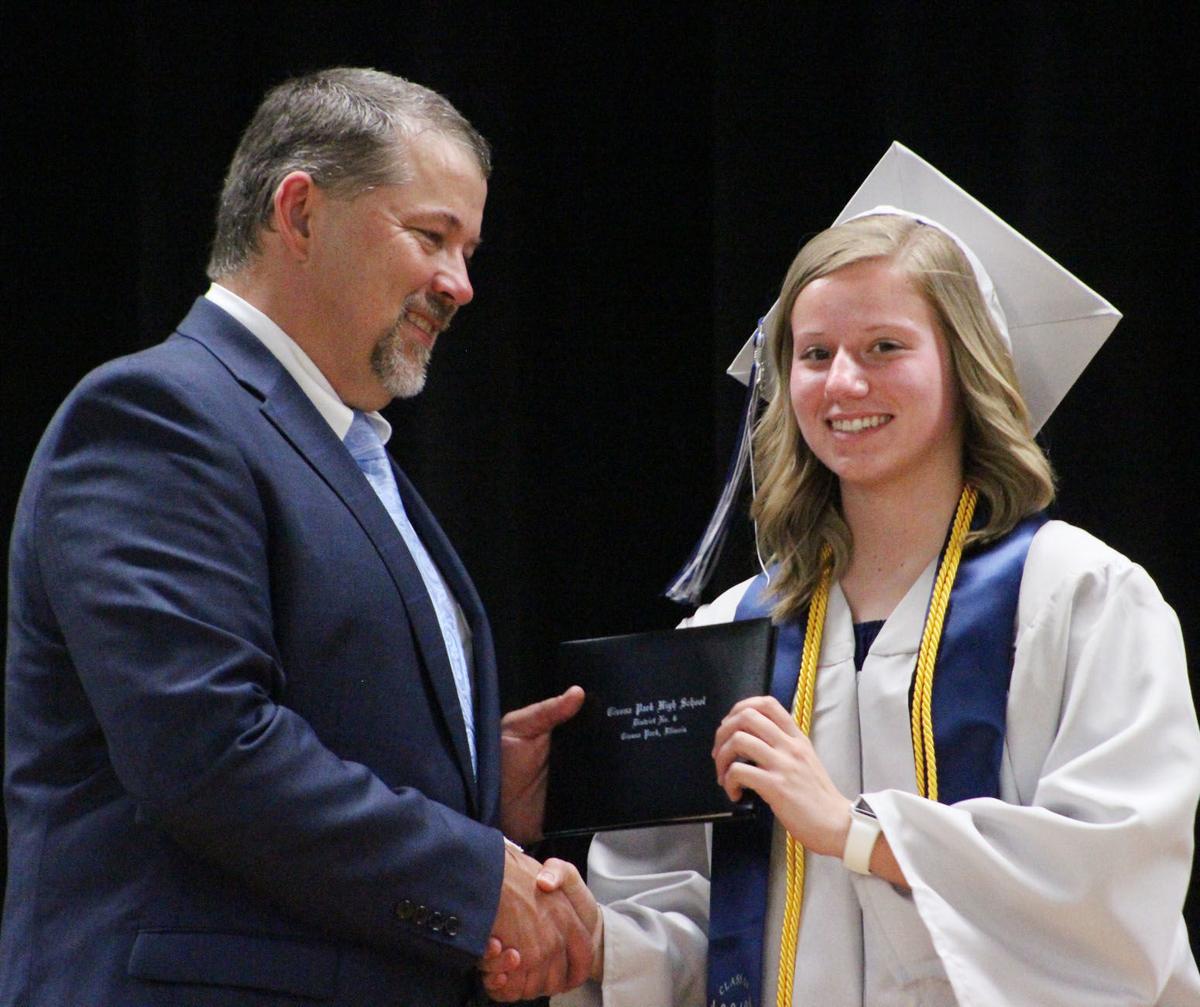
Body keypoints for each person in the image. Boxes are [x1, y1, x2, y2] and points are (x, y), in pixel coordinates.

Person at [541, 145, 1200, 1006]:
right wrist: (579, 939)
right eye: (814, 354)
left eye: (885, 345)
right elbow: (680, 919)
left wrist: (854, 830)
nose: (844, 381)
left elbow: (1112, 883)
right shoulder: (725, 633)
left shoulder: (1081, 599)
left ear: (966, 368)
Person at [1, 66, 595, 1006]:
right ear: (302, 213)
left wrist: (479, 780)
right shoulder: (158, 415)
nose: (463, 284)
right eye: (432, 236)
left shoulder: (350, 449)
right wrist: (473, 874)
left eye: (470, 249)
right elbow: (205, 750)